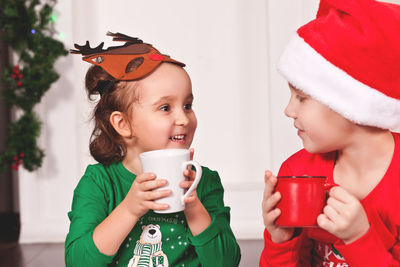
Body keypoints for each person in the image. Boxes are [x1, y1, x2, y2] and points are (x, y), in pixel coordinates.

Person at [65, 32, 240, 267]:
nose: (183, 118)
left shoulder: (205, 181)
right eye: (166, 107)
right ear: (123, 124)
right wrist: (129, 209)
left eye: (187, 105)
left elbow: (226, 262)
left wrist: (194, 207)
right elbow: (78, 262)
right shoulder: (98, 183)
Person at [260, 0, 400, 266]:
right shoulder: (297, 170)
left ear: (352, 105)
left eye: (301, 98)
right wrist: (280, 242)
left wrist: (359, 238)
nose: (288, 110)